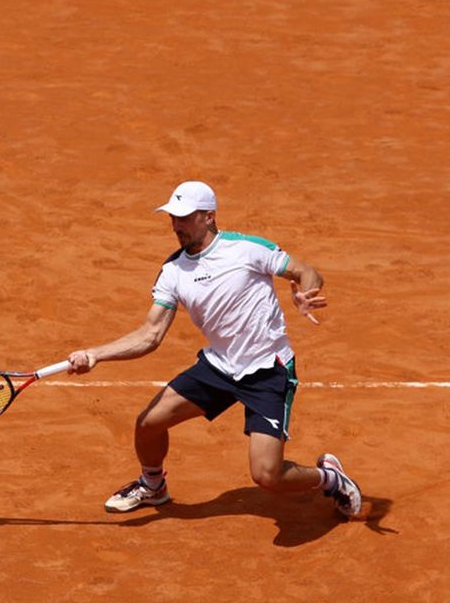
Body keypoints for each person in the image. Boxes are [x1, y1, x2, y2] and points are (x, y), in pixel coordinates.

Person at [66, 181, 362, 517]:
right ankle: (153, 486)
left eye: (185, 217)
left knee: (267, 475)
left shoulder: (246, 249)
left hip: (267, 368)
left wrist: (305, 293)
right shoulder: (173, 271)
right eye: (173, 218)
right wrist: (95, 354)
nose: (176, 225)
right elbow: (150, 334)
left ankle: (330, 479)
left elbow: (305, 271)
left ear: (209, 217)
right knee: (148, 424)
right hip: (220, 366)